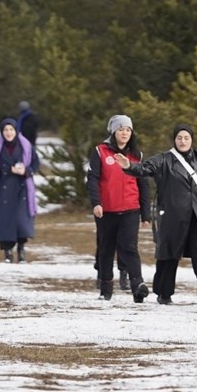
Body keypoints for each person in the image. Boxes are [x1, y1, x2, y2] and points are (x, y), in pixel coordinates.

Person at [117, 125, 197, 306]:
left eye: (186, 138)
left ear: (191, 140)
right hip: (172, 215)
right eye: (179, 138)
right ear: (174, 139)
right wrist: (129, 166)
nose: (183, 141)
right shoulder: (164, 159)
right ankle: (164, 294)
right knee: (169, 255)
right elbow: (145, 169)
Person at [86, 115, 152, 302]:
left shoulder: (136, 155)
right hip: (106, 210)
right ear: (114, 131)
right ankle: (106, 289)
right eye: (121, 129)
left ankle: (137, 286)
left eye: (128, 130)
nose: (124, 133)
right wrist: (96, 203)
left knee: (129, 247)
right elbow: (93, 179)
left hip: (130, 209)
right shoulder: (101, 152)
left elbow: (143, 185)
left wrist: (146, 214)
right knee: (106, 249)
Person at [0, 118, 40, 263]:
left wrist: (26, 171)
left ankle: (21, 250)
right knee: (5, 221)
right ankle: (7, 252)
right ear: (2, 132)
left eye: (11, 130)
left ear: (16, 131)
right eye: (5, 130)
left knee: (21, 220)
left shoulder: (26, 145)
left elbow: (35, 163)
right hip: (3, 187)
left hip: (22, 188)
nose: (9, 133)